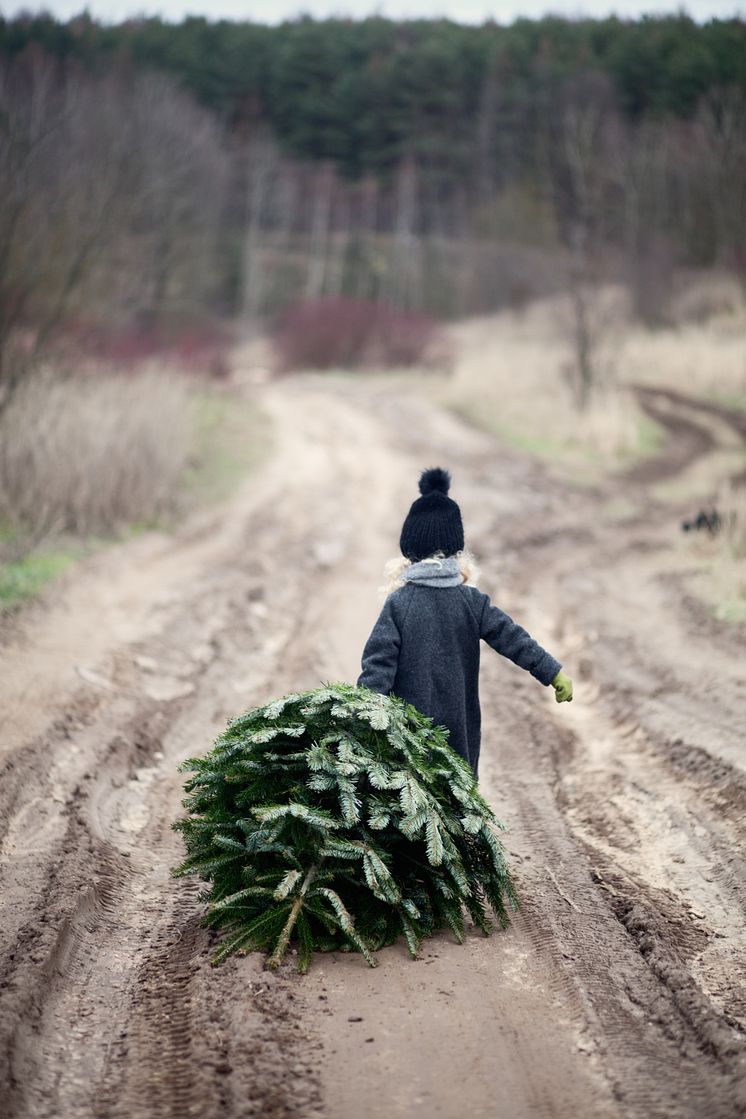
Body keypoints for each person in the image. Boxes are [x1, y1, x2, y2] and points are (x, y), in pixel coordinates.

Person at [357, 467, 573, 779]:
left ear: (409, 549)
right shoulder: (472, 603)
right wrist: (553, 672)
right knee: (458, 801)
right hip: (460, 732)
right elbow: (513, 639)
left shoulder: (399, 604)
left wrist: (365, 713)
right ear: (456, 549)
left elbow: (377, 666)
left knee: (409, 800)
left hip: (406, 733)